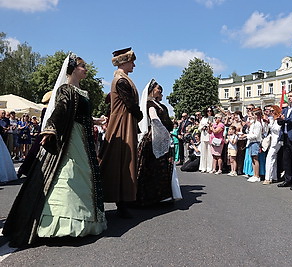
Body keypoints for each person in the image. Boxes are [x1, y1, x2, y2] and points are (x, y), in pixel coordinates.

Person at [3, 54, 107, 247]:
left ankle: (82, 222)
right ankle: (59, 225)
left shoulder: (81, 92)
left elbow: (81, 114)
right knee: (68, 174)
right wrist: (50, 129)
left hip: (82, 138)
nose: (86, 69)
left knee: (81, 175)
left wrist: (97, 121)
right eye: (83, 66)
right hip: (72, 138)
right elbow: (60, 110)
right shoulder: (65, 90)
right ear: (74, 68)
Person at [99, 47, 143, 218]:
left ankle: (123, 200)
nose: (134, 65)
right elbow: (131, 105)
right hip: (122, 123)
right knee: (121, 160)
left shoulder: (122, 79)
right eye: (132, 61)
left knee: (121, 160)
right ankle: (120, 200)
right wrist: (140, 116)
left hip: (124, 121)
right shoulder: (121, 80)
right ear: (124, 62)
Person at [136, 79, 182, 205]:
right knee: (154, 166)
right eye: (157, 89)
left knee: (161, 165)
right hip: (154, 137)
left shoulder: (157, 104)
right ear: (152, 90)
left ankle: (163, 194)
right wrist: (164, 131)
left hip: (160, 135)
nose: (160, 91)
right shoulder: (149, 104)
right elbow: (155, 119)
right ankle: (153, 196)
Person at [263, 105, 283, 184]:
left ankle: (268, 178)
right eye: (269, 111)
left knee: (269, 157)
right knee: (273, 158)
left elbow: (278, 129)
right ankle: (274, 176)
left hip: (277, 140)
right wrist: (268, 122)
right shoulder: (271, 119)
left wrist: (271, 123)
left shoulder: (279, 119)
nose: (270, 112)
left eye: (272, 111)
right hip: (272, 140)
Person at [243, 108, 263, 182]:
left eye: (252, 115)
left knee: (255, 158)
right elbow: (250, 132)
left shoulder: (257, 124)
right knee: (252, 159)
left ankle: (257, 175)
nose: (250, 117)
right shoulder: (253, 124)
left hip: (255, 142)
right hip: (251, 142)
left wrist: (246, 136)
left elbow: (256, 135)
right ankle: (254, 174)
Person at [198, 107, 214, 173]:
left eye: (210, 111)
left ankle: (209, 167)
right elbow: (199, 128)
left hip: (210, 136)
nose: (209, 112)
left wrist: (210, 125)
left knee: (210, 153)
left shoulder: (213, 118)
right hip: (203, 136)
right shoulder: (203, 119)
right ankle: (203, 167)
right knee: (203, 152)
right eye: (208, 111)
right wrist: (203, 127)